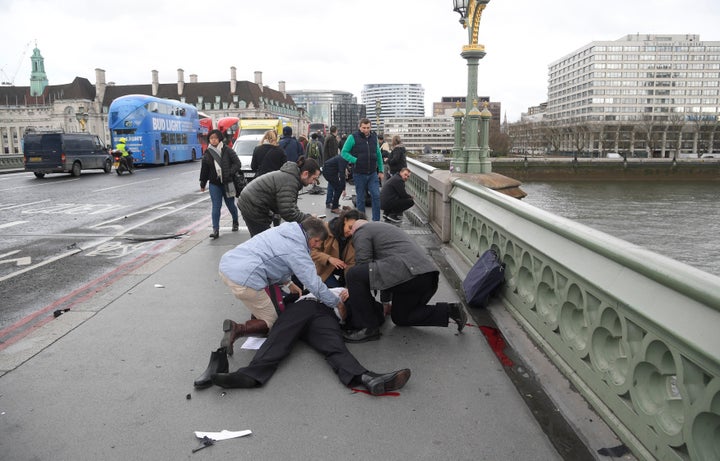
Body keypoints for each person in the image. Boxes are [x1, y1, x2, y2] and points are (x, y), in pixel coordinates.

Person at [208, 297, 411, 395]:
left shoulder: (364, 305)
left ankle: (366, 377)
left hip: (326, 316)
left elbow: (372, 316)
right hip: (305, 305)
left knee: (335, 346)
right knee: (280, 338)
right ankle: (251, 375)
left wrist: (381, 311)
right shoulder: (327, 287)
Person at [216, 217, 345, 356]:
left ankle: (258, 313)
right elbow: (314, 284)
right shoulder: (297, 249)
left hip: (228, 265)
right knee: (273, 322)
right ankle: (237, 329)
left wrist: (289, 283)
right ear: (309, 236)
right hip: (245, 278)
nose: (318, 246)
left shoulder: (286, 231)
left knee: (265, 302)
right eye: (317, 241)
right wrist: (337, 303)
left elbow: (275, 260)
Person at [342, 220, 467, 342]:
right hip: (424, 277)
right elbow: (382, 273)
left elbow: (363, 264)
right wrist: (385, 303)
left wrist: (353, 290)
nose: (350, 234)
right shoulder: (384, 231)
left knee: (354, 274)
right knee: (401, 317)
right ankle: (451, 310)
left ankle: (367, 328)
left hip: (409, 273)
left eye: (351, 229)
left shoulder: (362, 230)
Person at [237, 158, 321, 237]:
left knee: (265, 239)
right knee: (264, 241)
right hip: (252, 205)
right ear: (305, 174)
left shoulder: (291, 177)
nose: (313, 182)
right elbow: (288, 213)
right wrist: (309, 219)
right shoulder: (290, 181)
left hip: (254, 203)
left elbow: (289, 206)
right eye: (314, 178)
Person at [199, 129, 241, 239]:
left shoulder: (227, 150)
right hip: (214, 184)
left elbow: (237, 163)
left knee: (230, 205)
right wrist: (202, 183)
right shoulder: (208, 152)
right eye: (211, 138)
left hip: (228, 182)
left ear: (219, 139)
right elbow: (204, 169)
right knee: (216, 206)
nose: (213, 140)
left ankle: (235, 221)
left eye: (215, 138)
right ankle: (215, 229)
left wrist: (229, 173)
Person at [341, 118, 384, 221]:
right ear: (359, 127)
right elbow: (344, 152)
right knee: (360, 199)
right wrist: (355, 160)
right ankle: (362, 221)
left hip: (373, 173)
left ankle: (376, 221)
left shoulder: (374, 137)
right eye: (364, 128)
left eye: (368, 128)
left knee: (376, 196)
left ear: (370, 127)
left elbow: (378, 154)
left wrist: (381, 170)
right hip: (359, 173)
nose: (366, 130)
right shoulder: (352, 137)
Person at [312, 209, 365, 288]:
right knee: (336, 291)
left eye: (355, 230)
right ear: (345, 220)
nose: (351, 232)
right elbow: (311, 251)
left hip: (345, 269)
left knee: (347, 293)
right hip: (323, 268)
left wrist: (349, 288)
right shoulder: (325, 230)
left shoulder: (357, 237)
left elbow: (352, 263)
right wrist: (329, 258)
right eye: (350, 227)